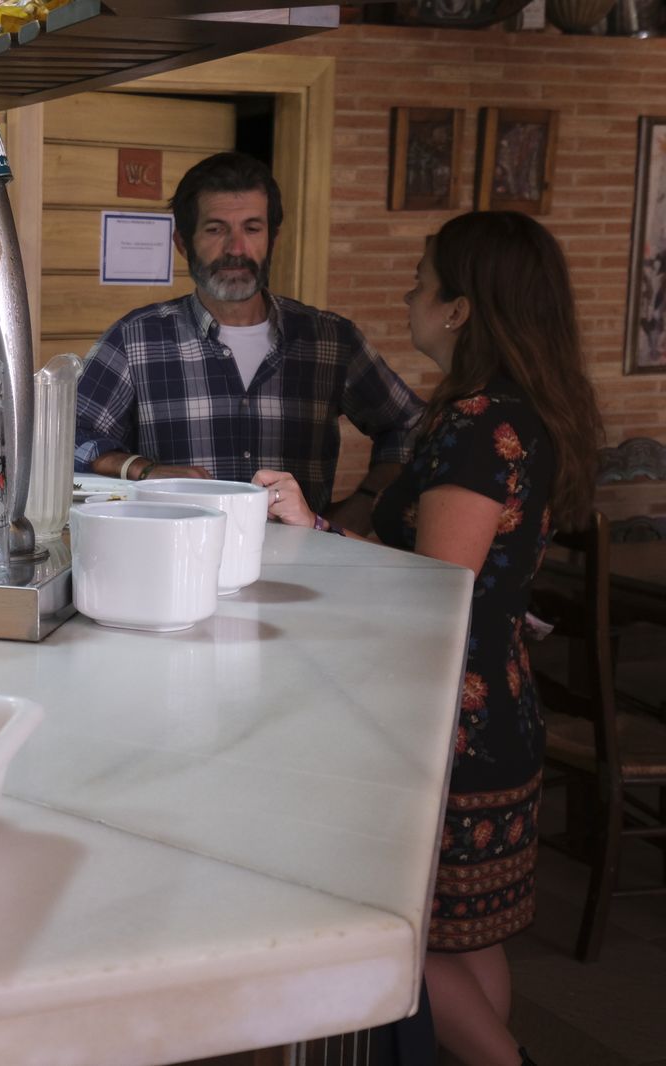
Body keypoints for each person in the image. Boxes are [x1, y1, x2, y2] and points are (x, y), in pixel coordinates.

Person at [256, 211, 603, 1066]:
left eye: (420, 279)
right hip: (498, 707)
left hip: (445, 719)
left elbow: (437, 586)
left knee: (406, 938)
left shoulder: (479, 425)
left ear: (459, 309)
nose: (408, 295)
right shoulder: (523, 412)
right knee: (470, 939)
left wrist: (308, 525)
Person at [75, 152, 422, 530]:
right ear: (182, 243)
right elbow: (66, 440)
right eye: (216, 229)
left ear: (274, 238)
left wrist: (363, 506)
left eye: (252, 228)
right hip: (175, 568)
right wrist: (145, 470)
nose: (236, 249)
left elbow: (410, 426)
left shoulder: (330, 340)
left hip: (304, 571)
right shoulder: (136, 338)